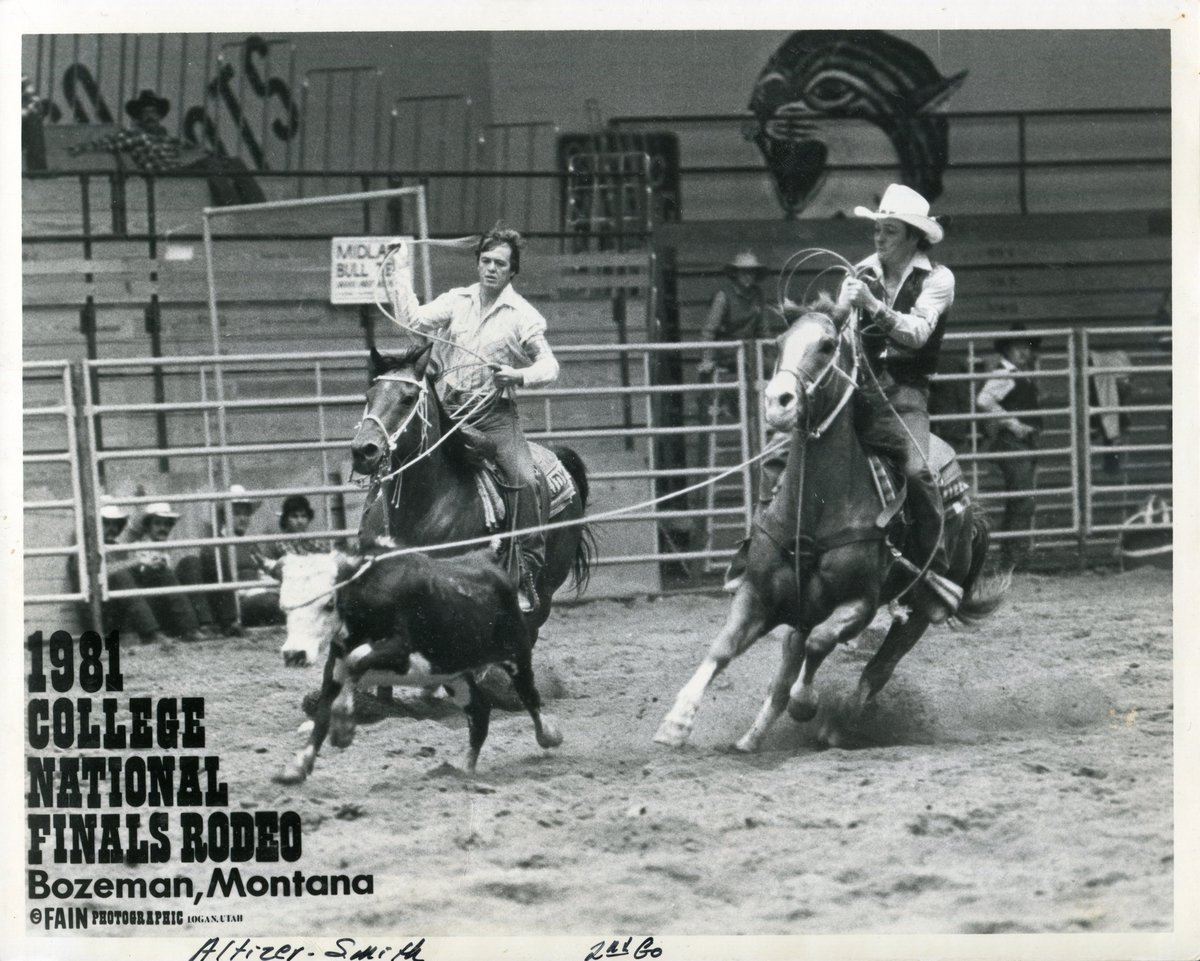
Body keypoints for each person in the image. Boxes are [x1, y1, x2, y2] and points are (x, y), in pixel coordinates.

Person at [384, 225, 559, 613]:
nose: (491, 269)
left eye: (500, 263)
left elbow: (550, 364)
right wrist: (399, 270)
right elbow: (412, 321)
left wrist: (519, 375)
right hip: (449, 411)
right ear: (477, 262)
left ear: (513, 271)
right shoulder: (457, 301)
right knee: (400, 458)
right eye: (485, 261)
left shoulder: (523, 316)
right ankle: (384, 547)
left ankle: (527, 567)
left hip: (494, 416)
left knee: (524, 479)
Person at [838, 183, 959, 621]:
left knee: (918, 470)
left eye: (889, 230)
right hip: (858, 388)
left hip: (907, 392)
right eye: (877, 229)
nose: (879, 237)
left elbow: (916, 334)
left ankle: (933, 569)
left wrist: (870, 304)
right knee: (794, 445)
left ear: (912, 235)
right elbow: (840, 329)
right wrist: (839, 314)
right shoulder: (859, 271)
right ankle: (763, 546)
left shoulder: (938, 278)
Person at [67, 88, 263, 206]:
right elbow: (107, 142)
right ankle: (232, 207)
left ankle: (259, 206)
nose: (151, 116)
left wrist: (213, 156)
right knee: (210, 164)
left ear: (159, 116)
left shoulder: (166, 137)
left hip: (178, 169)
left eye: (154, 113)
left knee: (234, 161)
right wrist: (78, 148)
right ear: (139, 117)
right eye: (146, 113)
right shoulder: (134, 135)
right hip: (164, 174)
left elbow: (193, 147)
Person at [976, 324, 1043, 569]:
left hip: (1025, 442)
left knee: (1021, 498)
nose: (1024, 352)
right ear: (1007, 349)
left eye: (1027, 347)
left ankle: (1014, 556)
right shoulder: (1004, 373)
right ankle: (1012, 559)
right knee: (1022, 498)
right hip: (1012, 441)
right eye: (1018, 347)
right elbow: (984, 400)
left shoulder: (1019, 373)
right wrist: (1013, 424)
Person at [177, 484, 282, 634]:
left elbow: (263, 569)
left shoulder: (250, 544)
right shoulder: (216, 543)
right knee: (272, 603)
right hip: (236, 601)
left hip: (258, 593)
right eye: (237, 513)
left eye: (246, 514)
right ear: (225, 516)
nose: (243, 518)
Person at [122, 501, 203, 642]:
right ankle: (189, 629)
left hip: (165, 606)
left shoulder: (166, 549)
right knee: (161, 570)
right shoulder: (137, 547)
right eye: (158, 523)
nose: (163, 528)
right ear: (148, 526)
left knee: (189, 563)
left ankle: (195, 627)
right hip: (147, 607)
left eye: (167, 524)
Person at [697, 250, 770, 382]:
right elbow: (709, 331)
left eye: (751, 272)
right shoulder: (723, 296)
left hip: (751, 348)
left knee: (771, 367)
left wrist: (769, 353)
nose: (748, 276)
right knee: (752, 363)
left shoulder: (758, 295)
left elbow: (764, 329)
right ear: (736, 273)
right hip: (727, 350)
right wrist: (706, 359)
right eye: (744, 272)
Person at [253, 494, 325, 577]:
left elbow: (326, 557)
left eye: (303, 516)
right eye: (294, 516)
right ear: (286, 520)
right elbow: (294, 563)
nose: (300, 521)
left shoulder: (312, 540)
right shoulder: (281, 541)